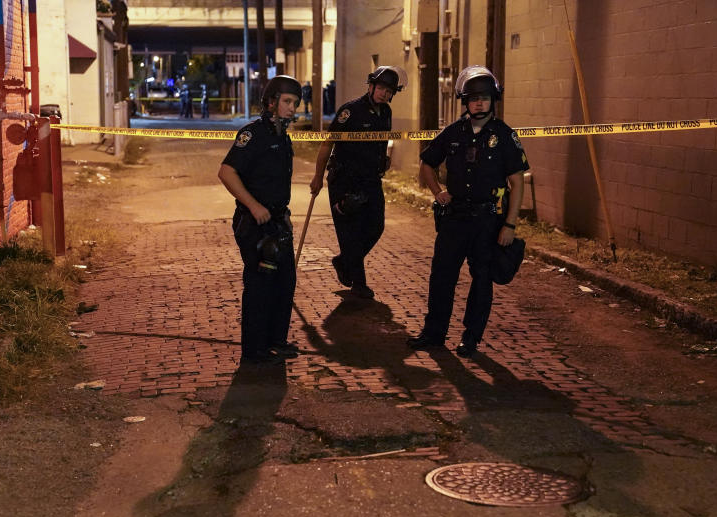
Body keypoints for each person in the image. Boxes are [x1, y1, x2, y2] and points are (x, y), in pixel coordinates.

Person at [407, 65, 529, 357]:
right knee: (441, 277)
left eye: (485, 97)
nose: (479, 102)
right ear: (465, 101)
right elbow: (427, 164)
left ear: (493, 100)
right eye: (474, 97)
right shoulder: (453, 133)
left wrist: (509, 225)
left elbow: (516, 181)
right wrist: (438, 193)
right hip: (454, 219)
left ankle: (470, 338)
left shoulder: (504, 135)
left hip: (487, 221)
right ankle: (433, 334)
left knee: (481, 280)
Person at [218, 75, 303, 364]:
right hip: (254, 224)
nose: (292, 108)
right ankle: (254, 350)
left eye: (295, 103)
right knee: (260, 286)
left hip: (278, 223)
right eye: (287, 102)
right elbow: (227, 172)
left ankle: (276, 341)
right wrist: (254, 207)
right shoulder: (252, 135)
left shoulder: (282, 135)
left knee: (285, 282)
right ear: (271, 102)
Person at [309, 65, 406, 299]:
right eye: (381, 88)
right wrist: (317, 176)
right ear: (371, 86)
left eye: (389, 90)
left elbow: (383, 142)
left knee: (376, 227)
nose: (384, 94)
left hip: (370, 179)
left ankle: (344, 261)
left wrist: (384, 159)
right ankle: (359, 284)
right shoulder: (350, 111)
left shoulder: (386, 113)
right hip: (344, 180)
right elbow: (327, 143)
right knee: (350, 232)